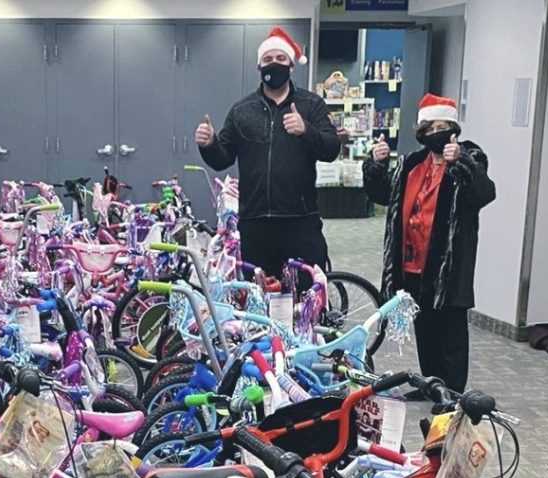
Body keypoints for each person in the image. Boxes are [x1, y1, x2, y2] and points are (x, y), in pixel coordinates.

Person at [363, 93, 496, 394]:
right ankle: (432, 384)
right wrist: (376, 164)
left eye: (443, 125)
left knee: (450, 329)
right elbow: (385, 196)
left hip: (449, 265)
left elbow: (484, 194)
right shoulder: (412, 163)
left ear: (454, 128)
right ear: (421, 131)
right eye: (431, 126)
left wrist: (459, 162)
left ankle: (453, 391)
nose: (437, 132)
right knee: (425, 328)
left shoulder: (470, 156)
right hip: (412, 261)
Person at [195, 26, 340, 279]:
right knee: (259, 298)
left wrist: (306, 130)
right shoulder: (242, 111)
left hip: (300, 219)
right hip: (255, 222)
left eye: (281, 59)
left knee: (308, 294)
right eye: (268, 60)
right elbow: (222, 159)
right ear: (259, 67)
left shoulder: (311, 105)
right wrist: (208, 144)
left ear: (291, 66)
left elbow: (331, 149)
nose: (274, 65)